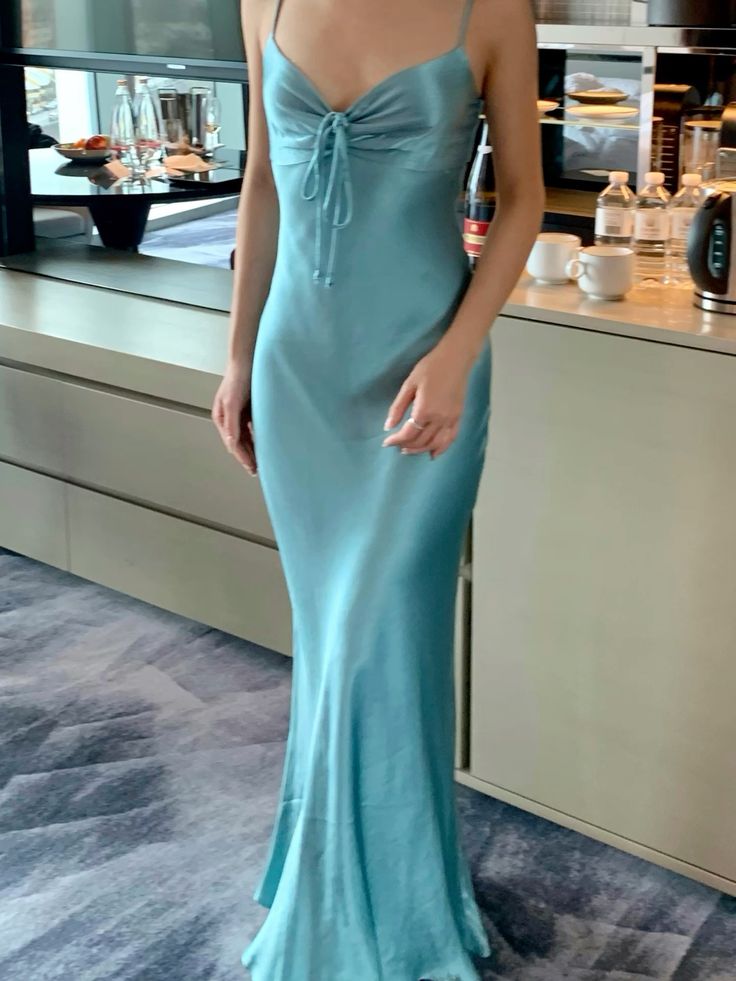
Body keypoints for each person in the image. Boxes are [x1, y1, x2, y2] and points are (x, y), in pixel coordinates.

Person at [211, 0, 544, 977]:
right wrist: (237, 357)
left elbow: (523, 198)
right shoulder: (264, 1)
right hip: (298, 367)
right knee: (331, 643)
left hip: (421, 367)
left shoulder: (492, 9)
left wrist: (457, 353)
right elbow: (263, 181)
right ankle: (337, 877)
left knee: (377, 639)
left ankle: (388, 910)